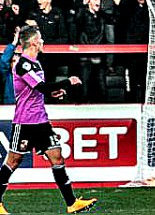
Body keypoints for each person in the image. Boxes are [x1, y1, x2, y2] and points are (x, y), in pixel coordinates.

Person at [0, 26, 96, 214]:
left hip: (41, 121)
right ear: (34, 42)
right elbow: (42, 87)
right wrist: (68, 81)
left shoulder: (36, 63)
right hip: (25, 122)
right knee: (13, 161)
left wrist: (54, 92)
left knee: (57, 157)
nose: (43, 41)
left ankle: (71, 203)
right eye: (40, 39)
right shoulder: (23, 64)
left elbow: (38, 90)